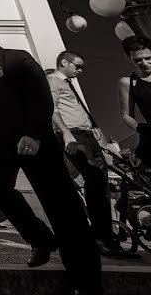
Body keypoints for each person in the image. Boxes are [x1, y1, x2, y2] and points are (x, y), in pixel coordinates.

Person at [0, 20, 102, 295]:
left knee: (61, 207)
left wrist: (35, 134)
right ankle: (40, 238)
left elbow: (42, 98)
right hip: (2, 143)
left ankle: (87, 281)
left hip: (33, 141)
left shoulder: (16, 58)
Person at [49, 51, 138, 259]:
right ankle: (102, 237)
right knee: (96, 182)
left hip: (85, 135)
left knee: (99, 183)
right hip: (76, 135)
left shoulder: (66, 83)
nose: (80, 70)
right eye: (78, 66)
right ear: (64, 62)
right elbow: (51, 109)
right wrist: (67, 133)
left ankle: (103, 235)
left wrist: (94, 129)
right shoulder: (53, 80)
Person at [118, 35, 151, 192]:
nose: (144, 63)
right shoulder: (127, 82)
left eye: (148, 58)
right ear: (130, 59)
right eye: (138, 60)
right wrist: (145, 130)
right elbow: (126, 115)